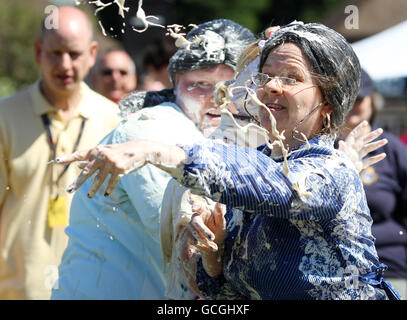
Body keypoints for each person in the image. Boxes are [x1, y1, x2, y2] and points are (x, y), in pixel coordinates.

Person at [56, 22, 402, 300]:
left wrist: (158, 152)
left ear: (327, 102)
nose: (271, 88)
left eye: (291, 78)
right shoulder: (248, 161)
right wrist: (214, 256)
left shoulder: (328, 170)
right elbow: (222, 295)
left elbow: (280, 185)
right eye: (265, 76)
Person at [50, 19, 256, 300]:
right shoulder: (150, 128)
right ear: (176, 84)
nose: (216, 99)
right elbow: (189, 252)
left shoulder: (227, 137)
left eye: (230, 85)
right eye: (201, 84)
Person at [0, 6, 120, 300]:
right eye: (55, 53)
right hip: (18, 288)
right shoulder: (5, 116)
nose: (65, 65)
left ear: (92, 54)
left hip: (94, 286)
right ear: (38, 51)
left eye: (75, 54)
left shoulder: (113, 119)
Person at [339, 69, 407, 299]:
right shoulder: (320, 149)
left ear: (373, 102)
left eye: (359, 98)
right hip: (337, 268)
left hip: (390, 263)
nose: (353, 105)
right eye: (347, 98)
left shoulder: (391, 148)